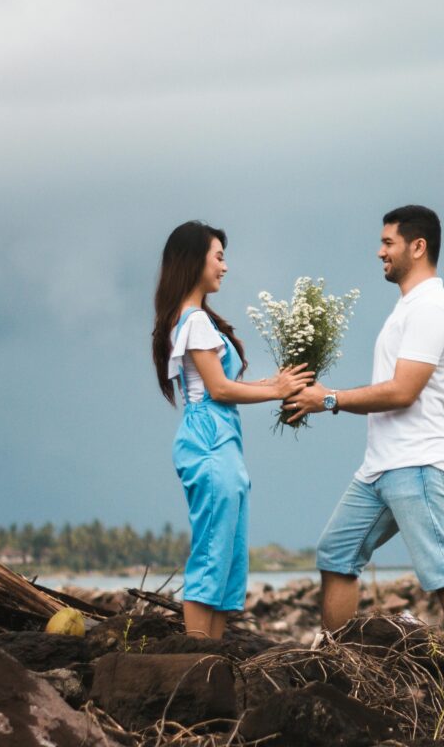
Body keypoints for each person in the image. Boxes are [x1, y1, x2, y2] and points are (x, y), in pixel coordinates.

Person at [286, 205, 444, 646]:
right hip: (380, 468)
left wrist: (330, 398)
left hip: (416, 463)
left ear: (418, 246)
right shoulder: (408, 307)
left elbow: (402, 391)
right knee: (336, 554)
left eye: (388, 242)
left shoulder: (432, 307)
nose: (380, 252)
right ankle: (338, 662)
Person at [151, 221, 312, 639]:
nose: (224, 267)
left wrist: (277, 384)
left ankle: (213, 659)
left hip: (220, 440)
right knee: (211, 554)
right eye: (218, 257)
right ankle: (196, 658)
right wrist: (276, 388)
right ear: (194, 261)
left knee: (228, 558)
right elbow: (219, 389)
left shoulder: (195, 320)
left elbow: (219, 388)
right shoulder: (195, 323)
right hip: (209, 441)